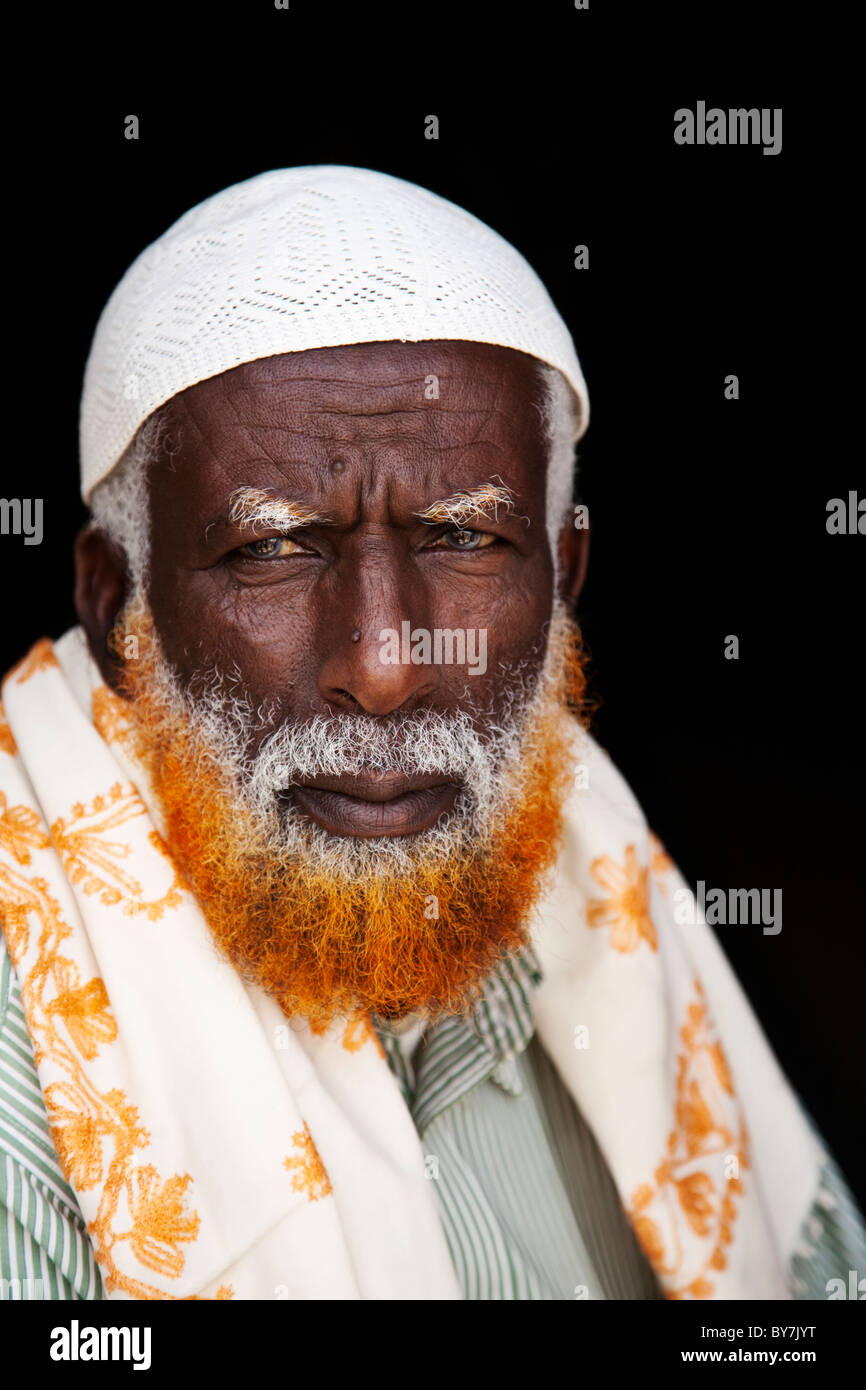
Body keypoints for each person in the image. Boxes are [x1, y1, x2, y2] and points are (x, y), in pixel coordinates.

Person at [0, 166, 862, 1301]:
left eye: (463, 539)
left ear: (563, 583)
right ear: (119, 610)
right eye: (272, 548)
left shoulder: (610, 891)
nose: (384, 667)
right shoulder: (25, 1083)